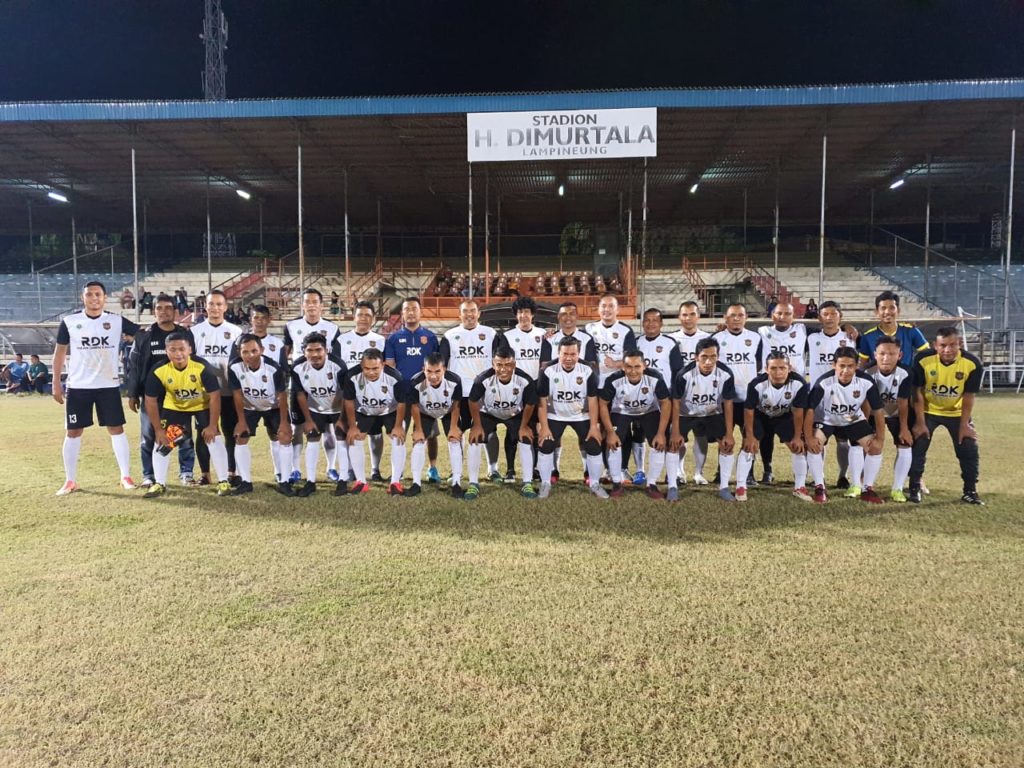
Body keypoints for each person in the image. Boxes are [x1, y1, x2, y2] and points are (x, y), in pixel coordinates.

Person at [52, 281, 138, 495]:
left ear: (104, 297)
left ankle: (125, 476)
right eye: (89, 294)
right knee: (73, 431)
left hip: (108, 385)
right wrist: (56, 382)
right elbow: (60, 353)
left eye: (98, 294)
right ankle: (70, 480)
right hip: (78, 386)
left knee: (116, 429)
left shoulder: (116, 321)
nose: (94, 298)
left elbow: (142, 335)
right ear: (83, 298)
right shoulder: (70, 322)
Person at [142, 332, 232, 498]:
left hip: (201, 405)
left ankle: (223, 481)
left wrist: (212, 425)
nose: (178, 353)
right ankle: (159, 483)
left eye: (182, 349)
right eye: (173, 350)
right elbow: (150, 400)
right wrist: (158, 430)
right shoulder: (159, 370)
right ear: (166, 351)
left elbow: (214, 396)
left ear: (190, 349)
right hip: (175, 406)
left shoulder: (202, 367)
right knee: (163, 441)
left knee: (213, 438)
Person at [126, 293, 197, 487]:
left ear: (175, 311)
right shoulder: (144, 336)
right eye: (159, 308)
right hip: (152, 396)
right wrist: (132, 393)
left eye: (168, 308)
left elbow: (193, 362)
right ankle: (149, 476)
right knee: (148, 436)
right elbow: (134, 366)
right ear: (154, 311)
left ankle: (186, 473)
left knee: (184, 435)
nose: (163, 312)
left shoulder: (185, 334)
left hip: (179, 395)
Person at [909, 326, 984, 505]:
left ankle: (970, 491)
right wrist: (919, 422)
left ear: (960, 344)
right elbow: (916, 392)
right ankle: (914, 486)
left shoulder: (972, 363)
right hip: (928, 410)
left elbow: (968, 396)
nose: (947, 350)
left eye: (952, 345)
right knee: (918, 445)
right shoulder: (922, 359)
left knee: (968, 446)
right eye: (943, 345)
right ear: (935, 345)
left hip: (956, 412)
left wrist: (965, 425)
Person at [803, 347, 886, 504]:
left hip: (852, 419)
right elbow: (810, 410)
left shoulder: (866, 381)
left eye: (850, 366)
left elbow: (878, 410)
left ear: (856, 366)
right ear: (834, 365)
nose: (846, 371)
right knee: (814, 446)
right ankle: (820, 487)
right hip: (827, 419)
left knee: (875, 449)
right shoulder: (824, 382)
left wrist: (880, 439)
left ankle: (867, 489)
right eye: (842, 366)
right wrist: (809, 438)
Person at [669, 338, 738, 502]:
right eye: (704, 357)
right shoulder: (684, 374)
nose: (708, 362)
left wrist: (729, 433)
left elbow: (728, 404)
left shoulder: (726, 374)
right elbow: (676, 402)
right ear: (696, 357)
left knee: (727, 445)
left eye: (713, 357)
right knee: (672, 444)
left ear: (718, 356)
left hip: (712, 413)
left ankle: (724, 487)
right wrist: (675, 431)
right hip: (686, 414)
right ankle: (672, 486)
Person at [535, 336, 605, 499]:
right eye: (565, 354)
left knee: (594, 444)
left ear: (578, 354)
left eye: (573, 354)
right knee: (546, 444)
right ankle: (545, 483)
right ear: (558, 353)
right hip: (555, 415)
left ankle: (595, 483)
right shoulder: (547, 370)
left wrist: (594, 426)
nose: (568, 358)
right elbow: (542, 402)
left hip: (581, 415)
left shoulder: (587, 370)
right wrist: (544, 427)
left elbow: (593, 400)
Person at [284, 288, 342, 484]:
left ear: (321, 305)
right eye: (307, 301)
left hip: (324, 384)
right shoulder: (291, 326)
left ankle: (331, 468)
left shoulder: (332, 328)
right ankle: (295, 469)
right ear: (302, 305)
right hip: (300, 383)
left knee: (329, 428)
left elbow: (336, 357)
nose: (311, 305)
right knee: (297, 427)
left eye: (314, 301)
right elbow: (285, 354)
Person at [735, 351, 810, 502]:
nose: (778, 372)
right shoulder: (756, 384)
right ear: (766, 369)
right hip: (760, 416)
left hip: (783, 416)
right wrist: (749, 436)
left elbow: (798, 412)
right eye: (773, 368)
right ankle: (740, 487)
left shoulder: (799, 384)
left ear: (789, 368)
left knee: (798, 447)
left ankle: (800, 487)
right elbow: (749, 411)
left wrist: (797, 436)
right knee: (749, 446)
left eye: (782, 368)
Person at [439, 300, 501, 481]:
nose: (469, 315)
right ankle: (456, 470)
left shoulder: (490, 334)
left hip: (484, 394)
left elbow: (499, 362)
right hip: (458, 395)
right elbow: (442, 365)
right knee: (456, 433)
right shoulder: (450, 336)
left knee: (489, 432)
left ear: (478, 313)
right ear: (459, 315)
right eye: (465, 311)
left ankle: (493, 469)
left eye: (473, 311)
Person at [466, 347, 538, 500]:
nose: (503, 369)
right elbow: (472, 401)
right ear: (493, 364)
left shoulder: (525, 380)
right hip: (488, 413)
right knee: (475, 438)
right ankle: (473, 484)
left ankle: (527, 482)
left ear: (514, 364)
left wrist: (524, 426)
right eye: (499, 365)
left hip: (515, 414)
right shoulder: (483, 379)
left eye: (508, 365)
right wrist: (477, 425)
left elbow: (530, 403)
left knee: (526, 438)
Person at [599, 349, 672, 499]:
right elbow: (603, 403)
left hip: (648, 411)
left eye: (637, 366)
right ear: (623, 367)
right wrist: (610, 432)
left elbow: (665, 403)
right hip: (621, 411)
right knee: (613, 443)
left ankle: (651, 484)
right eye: (629, 367)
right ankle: (617, 483)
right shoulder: (613, 380)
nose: (633, 371)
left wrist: (660, 433)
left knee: (658, 443)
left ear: (644, 366)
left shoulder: (655, 377)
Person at [384, 296, 443, 484]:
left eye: (414, 309)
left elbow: (437, 367)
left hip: (425, 395)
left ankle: (432, 468)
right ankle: (399, 470)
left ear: (420, 312)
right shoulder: (393, 339)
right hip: (402, 395)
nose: (410, 312)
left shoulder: (430, 338)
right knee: (400, 432)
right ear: (402, 313)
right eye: (407, 309)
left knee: (430, 434)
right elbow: (390, 367)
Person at [228, 334, 293, 496]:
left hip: (273, 407)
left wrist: (284, 422)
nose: (250, 355)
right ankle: (245, 482)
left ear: (262, 350)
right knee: (240, 437)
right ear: (239, 352)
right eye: (245, 352)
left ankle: (285, 481)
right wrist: (241, 421)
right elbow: (237, 394)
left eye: (254, 351)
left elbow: (282, 396)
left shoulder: (273, 368)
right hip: (250, 407)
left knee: (284, 437)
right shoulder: (234, 367)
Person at [190, 289, 243, 486]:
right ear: (205, 306)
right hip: (203, 393)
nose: (215, 308)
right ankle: (205, 474)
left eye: (219, 304)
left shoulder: (236, 332)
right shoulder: (194, 332)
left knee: (230, 432)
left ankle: (231, 472)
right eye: (211, 304)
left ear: (225, 307)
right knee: (204, 432)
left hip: (228, 391)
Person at [806, 300, 859, 489]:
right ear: (819, 317)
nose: (829, 318)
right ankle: (818, 477)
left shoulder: (850, 337)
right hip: (818, 398)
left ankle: (843, 476)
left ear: (840, 316)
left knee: (843, 440)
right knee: (817, 438)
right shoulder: (810, 337)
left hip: (843, 396)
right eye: (825, 314)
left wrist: (848, 327)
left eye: (833, 314)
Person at [290, 332, 349, 496]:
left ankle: (343, 480)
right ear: (304, 352)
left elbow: (346, 394)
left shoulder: (338, 366)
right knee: (312, 437)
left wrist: (342, 419)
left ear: (326, 350)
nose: (314, 354)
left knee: (341, 437)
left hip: (337, 408)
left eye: (318, 350)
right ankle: (310, 482)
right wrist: (308, 420)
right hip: (315, 408)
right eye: (310, 350)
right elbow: (300, 394)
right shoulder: (297, 367)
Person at [342, 347, 407, 496]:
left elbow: (401, 402)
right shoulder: (352, 376)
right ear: (361, 365)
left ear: (383, 365)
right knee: (355, 438)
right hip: (365, 411)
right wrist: (352, 426)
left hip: (390, 411)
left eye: (375, 368)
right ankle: (361, 482)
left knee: (398, 438)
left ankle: (395, 482)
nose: (371, 372)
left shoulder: (395, 376)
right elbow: (349, 401)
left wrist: (398, 426)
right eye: (367, 368)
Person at [757, 301, 808, 485]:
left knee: (798, 434)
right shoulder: (762, 332)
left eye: (787, 313)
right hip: (769, 389)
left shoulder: (802, 330)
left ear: (793, 316)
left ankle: (802, 474)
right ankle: (767, 470)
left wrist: (847, 327)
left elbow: (827, 330)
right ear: (772, 315)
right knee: (766, 433)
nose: (782, 317)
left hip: (795, 390)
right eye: (779, 313)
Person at [712, 303, 763, 487]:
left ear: (746, 318)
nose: (736, 318)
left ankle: (748, 473)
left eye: (740, 315)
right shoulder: (717, 338)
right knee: (724, 436)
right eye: (732, 315)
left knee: (751, 435)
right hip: (725, 398)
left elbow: (759, 363)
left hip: (748, 399)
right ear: (726, 318)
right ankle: (721, 472)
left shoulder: (755, 338)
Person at [403, 352, 465, 498]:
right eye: (429, 371)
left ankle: (456, 483)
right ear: (423, 369)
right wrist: (418, 429)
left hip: (448, 411)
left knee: (455, 440)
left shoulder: (455, 380)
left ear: (444, 369)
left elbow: (456, 404)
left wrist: (454, 427)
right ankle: (416, 484)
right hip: (425, 412)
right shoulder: (415, 382)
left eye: (437, 371)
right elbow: (414, 406)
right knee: (418, 441)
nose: (433, 376)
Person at [338, 301, 388, 481]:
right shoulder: (342, 340)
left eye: (368, 315)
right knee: (349, 432)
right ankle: (351, 469)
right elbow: (338, 368)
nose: (363, 318)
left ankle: (375, 469)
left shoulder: (381, 341)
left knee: (375, 433)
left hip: (373, 396)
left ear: (373, 319)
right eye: (360, 314)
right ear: (354, 317)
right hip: (350, 395)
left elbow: (385, 368)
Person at [499, 295, 545, 482]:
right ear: (515, 315)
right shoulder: (507, 336)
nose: (523, 315)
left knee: (534, 430)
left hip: (536, 388)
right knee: (512, 430)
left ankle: (534, 468)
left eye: (526, 312)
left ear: (532, 314)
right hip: (515, 389)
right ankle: (510, 469)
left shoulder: (543, 334)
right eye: (520, 312)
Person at [864, 335, 915, 503]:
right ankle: (864, 485)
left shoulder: (906, 373)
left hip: (896, 414)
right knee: (867, 445)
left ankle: (897, 488)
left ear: (899, 355)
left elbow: (903, 402)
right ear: (875, 355)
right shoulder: (867, 372)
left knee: (905, 444)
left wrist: (904, 428)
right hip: (874, 413)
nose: (886, 358)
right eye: (882, 353)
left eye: (892, 354)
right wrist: (864, 426)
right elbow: (866, 402)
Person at [671, 300, 711, 484]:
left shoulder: (708, 339)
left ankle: (698, 473)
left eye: (692, 314)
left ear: (698, 316)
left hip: (704, 395)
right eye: (685, 314)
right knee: (679, 435)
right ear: (679, 317)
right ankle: (679, 472)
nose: (688, 318)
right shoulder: (672, 339)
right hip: (680, 396)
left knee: (701, 435)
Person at [858, 290, 930, 369]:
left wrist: (915, 372)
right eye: (883, 308)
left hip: (906, 376)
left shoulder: (910, 331)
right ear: (876, 312)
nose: (887, 312)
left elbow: (928, 355)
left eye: (892, 308)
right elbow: (862, 365)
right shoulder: (867, 336)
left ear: (898, 310)